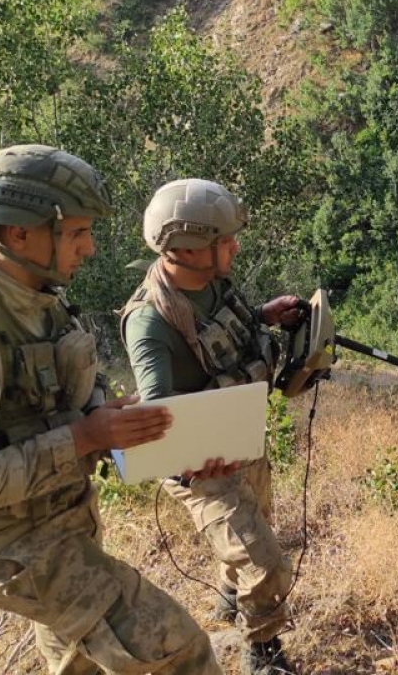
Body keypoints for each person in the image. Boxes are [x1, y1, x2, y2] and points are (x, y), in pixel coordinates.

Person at [0, 145, 224, 674]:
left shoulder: (37, 297)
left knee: (78, 662)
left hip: (57, 518)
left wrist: (153, 441)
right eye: (77, 233)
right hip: (7, 543)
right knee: (178, 650)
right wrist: (85, 438)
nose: (88, 249)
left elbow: (65, 402)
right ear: (21, 233)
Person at [120, 179, 301, 675]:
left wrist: (265, 315)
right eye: (225, 241)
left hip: (236, 431)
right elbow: (160, 414)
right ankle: (262, 652)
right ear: (188, 249)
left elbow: (221, 329)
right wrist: (201, 457)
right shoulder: (150, 321)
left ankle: (227, 592)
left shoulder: (213, 282)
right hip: (197, 459)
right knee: (263, 561)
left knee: (256, 519)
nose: (235, 247)